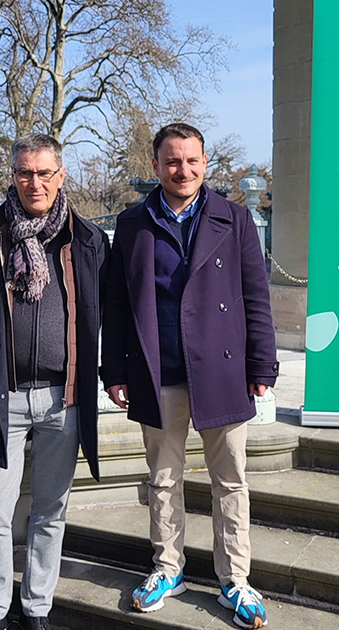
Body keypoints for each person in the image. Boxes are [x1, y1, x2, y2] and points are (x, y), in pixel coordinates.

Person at [100, 123, 279, 629]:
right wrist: (114, 369)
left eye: (192, 161)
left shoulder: (235, 218)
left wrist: (262, 364)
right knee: (162, 479)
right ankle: (167, 568)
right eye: (172, 161)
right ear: (156, 166)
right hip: (158, 373)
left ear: (206, 163)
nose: (183, 170)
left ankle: (235, 579)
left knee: (231, 481)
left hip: (221, 369)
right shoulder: (133, 223)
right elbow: (117, 304)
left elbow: (254, 297)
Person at [0, 133, 109, 630]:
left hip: (65, 399)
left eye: (44, 173)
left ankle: (37, 608)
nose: (33, 183)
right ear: (12, 176)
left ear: (61, 176)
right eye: (24, 173)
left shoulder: (86, 239)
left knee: (50, 512)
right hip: (2, 400)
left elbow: (101, 311)